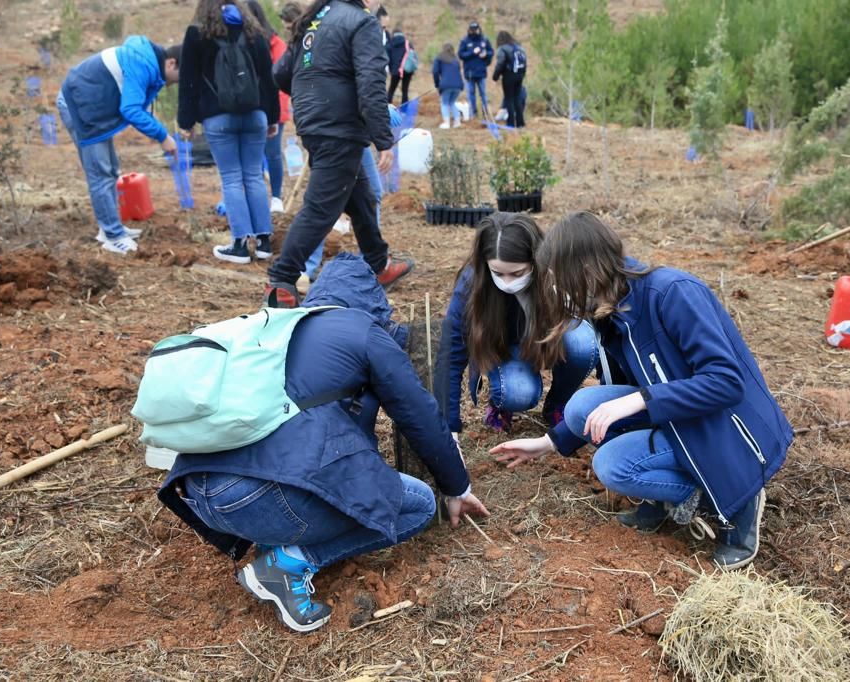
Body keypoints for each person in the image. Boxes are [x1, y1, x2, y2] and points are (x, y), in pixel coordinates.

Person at [158, 253, 490, 633]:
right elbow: (420, 416)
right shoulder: (362, 330)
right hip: (257, 496)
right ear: (373, 299)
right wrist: (456, 486)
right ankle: (287, 563)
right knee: (415, 504)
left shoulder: (279, 328)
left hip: (200, 494)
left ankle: (276, 541)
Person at [491, 213, 792, 571]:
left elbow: (726, 382)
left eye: (560, 279)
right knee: (583, 407)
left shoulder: (672, 293)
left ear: (588, 269)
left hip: (731, 431)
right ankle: (666, 496)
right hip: (682, 414)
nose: (556, 291)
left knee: (612, 465)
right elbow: (627, 392)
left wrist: (639, 400)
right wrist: (549, 443)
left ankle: (737, 499)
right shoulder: (611, 311)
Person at [265, 0, 413, 309]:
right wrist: (383, 138)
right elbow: (371, 83)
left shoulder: (314, 18)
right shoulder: (362, 22)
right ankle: (282, 279)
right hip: (339, 127)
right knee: (321, 208)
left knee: (361, 196)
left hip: (315, 122)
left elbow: (281, 73)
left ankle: (378, 263)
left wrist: (315, 92)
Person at [436, 213, 598, 440]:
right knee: (519, 393)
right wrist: (449, 428)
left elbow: (597, 311)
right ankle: (502, 403)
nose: (508, 283)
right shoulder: (472, 283)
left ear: (536, 259)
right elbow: (451, 352)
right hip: (505, 347)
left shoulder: (554, 271)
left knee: (584, 344)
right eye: (498, 273)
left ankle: (559, 403)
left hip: (546, 338)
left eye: (517, 273)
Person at [177, 0, 280, 265]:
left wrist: (185, 120)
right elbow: (268, 79)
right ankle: (265, 242)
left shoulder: (197, 33)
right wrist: (272, 117)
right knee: (254, 175)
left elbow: (188, 80)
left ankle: (240, 245)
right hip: (255, 115)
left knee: (232, 178)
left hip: (218, 117)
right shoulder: (254, 33)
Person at [56, 36, 181, 255]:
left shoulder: (147, 62)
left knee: (111, 169)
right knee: (100, 172)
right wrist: (163, 136)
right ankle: (112, 236)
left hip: (94, 107)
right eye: (181, 76)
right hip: (79, 107)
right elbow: (131, 109)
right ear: (171, 63)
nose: (177, 83)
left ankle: (111, 228)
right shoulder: (143, 64)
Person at [246, 0, 290, 214]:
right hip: (250, 108)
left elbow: (280, 82)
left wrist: (278, 113)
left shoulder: (276, 44)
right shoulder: (241, 42)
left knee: (272, 153)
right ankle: (256, 197)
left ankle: (276, 197)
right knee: (253, 155)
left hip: (272, 109)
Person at [459, 21, 493, 120]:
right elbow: (461, 54)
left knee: (483, 94)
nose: (474, 31)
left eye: (476, 29)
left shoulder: (484, 40)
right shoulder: (465, 41)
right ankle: (473, 114)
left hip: (481, 72)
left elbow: (491, 51)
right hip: (469, 73)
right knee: (471, 94)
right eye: (472, 29)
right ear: (469, 30)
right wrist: (472, 52)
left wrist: (486, 54)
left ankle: (486, 113)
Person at [492, 31, 526, 128]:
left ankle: (510, 122)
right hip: (519, 76)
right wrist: (522, 75)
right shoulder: (519, 48)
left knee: (509, 99)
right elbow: (524, 62)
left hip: (509, 76)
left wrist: (496, 76)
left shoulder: (502, 49)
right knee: (517, 98)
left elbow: (500, 63)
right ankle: (520, 122)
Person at [433, 43, 464, 129]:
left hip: (446, 85)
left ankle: (446, 123)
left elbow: (435, 71)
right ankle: (457, 122)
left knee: (445, 103)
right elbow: (459, 73)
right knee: (452, 103)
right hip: (458, 85)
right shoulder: (456, 60)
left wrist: (437, 84)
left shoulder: (439, 58)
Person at [386, 25, 414, 105]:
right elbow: (412, 56)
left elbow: (387, 58)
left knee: (391, 89)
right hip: (407, 70)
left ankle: (388, 108)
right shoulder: (407, 43)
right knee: (405, 90)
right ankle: (404, 110)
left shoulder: (390, 43)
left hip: (395, 70)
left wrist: (391, 69)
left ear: (393, 34)